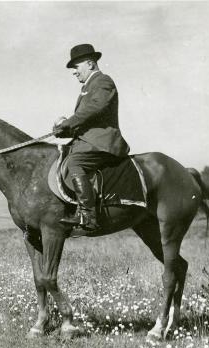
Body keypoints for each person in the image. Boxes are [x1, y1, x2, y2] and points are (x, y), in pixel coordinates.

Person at [53, 44, 130, 230]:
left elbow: (95, 109)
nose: (74, 72)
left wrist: (68, 122)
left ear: (90, 63)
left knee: (74, 163)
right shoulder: (88, 87)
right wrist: (63, 129)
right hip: (89, 141)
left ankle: (88, 216)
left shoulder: (103, 81)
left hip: (102, 142)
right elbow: (86, 120)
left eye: (76, 67)